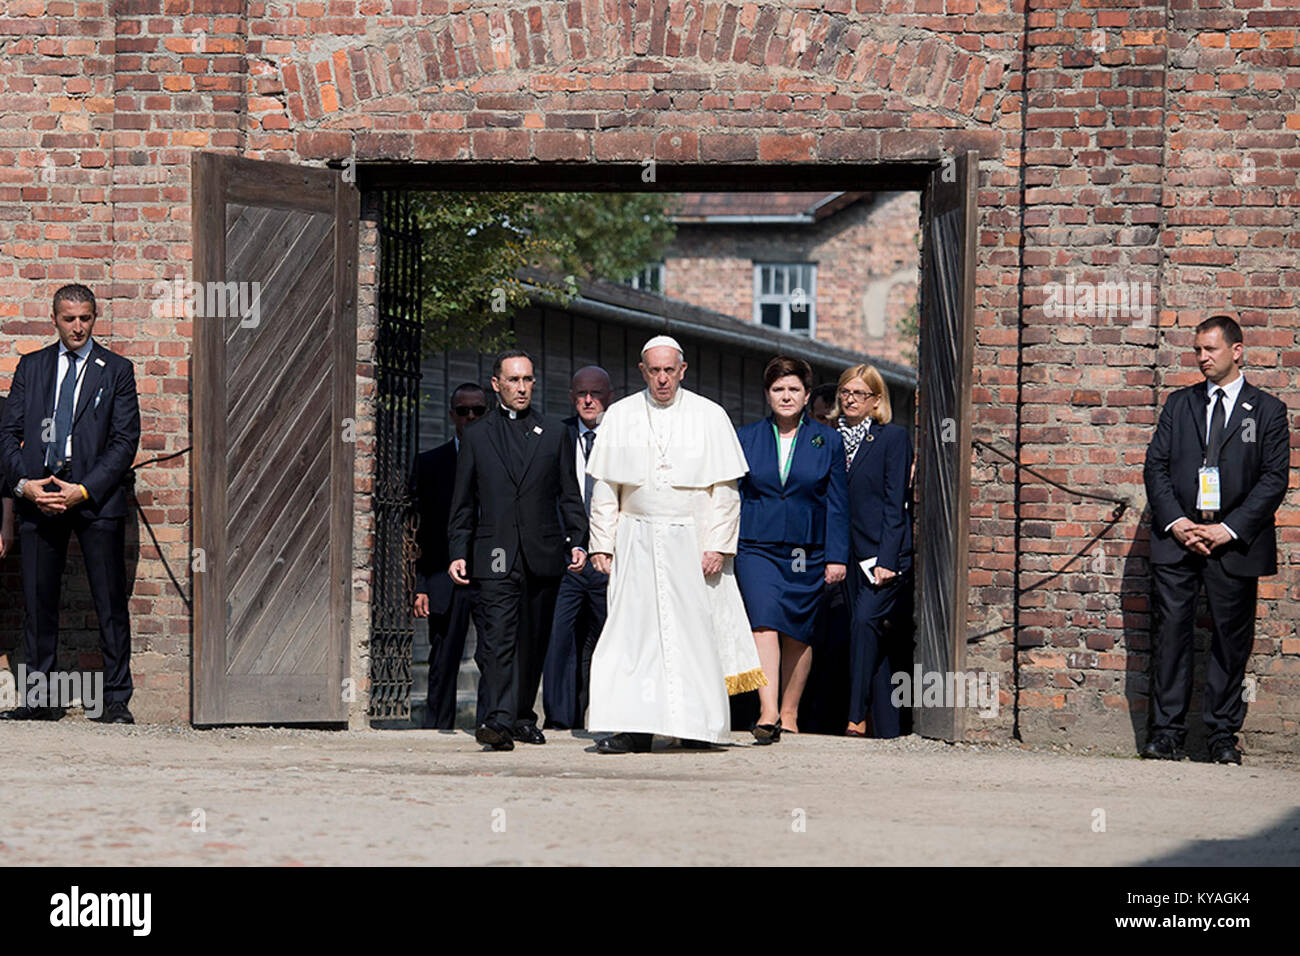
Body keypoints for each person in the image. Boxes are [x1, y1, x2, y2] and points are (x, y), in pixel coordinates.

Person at [585, 335, 765, 754]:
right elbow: (606, 489)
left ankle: (696, 725)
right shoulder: (622, 414)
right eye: (654, 371)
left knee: (693, 636)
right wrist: (601, 544)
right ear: (642, 371)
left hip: (692, 539)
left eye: (670, 370)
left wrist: (718, 545)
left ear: (683, 370)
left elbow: (725, 490)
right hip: (636, 538)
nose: (662, 379)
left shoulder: (710, 415)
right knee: (634, 635)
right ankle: (633, 728)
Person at [1141, 315, 1290, 765]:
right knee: (1172, 635)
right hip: (1179, 540)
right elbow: (1156, 468)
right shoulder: (1179, 405)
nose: (1202, 358)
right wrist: (1178, 522)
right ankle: (1166, 732)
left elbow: (1273, 480)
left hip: (1234, 543)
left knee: (1230, 639)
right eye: (1198, 351)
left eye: (1211, 350)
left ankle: (1223, 735)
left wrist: (1227, 529)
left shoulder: (1267, 411)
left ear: (1236, 350)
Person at [0, 284, 141, 723]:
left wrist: (84, 489)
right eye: (68, 318)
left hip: (94, 498)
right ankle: (41, 700)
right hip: (39, 495)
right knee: (39, 602)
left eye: (85, 318)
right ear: (55, 319)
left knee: (109, 600)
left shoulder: (116, 370)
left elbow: (124, 441)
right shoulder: (32, 367)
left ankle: (116, 700)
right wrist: (25, 485)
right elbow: (6, 433)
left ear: (94, 317)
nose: (77, 326)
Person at [447, 350, 588, 751]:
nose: (522, 387)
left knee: (533, 640)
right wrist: (458, 549)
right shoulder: (476, 436)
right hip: (493, 554)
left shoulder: (555, 433)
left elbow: (568, 493)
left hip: (542, 552)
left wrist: (578, 539)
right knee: (496, 640)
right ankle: (497, 720)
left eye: (528, 379)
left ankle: (523, 716)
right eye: (513, 380)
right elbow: (462, 502)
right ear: (497, 385)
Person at [734, 357, 848, 743]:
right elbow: (733, 495)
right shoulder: (746, 437)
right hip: (756, 547)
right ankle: (766, 711)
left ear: (806, 395)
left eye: (794, 389)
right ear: (767, 394)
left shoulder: (827, 440)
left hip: (807, 550)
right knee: (763, 623)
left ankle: (789, 711)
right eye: (778, 389)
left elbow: (837, 502)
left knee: (798, 633)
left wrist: (836, 556)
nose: (786, 396)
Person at [837, 363, 913, 739]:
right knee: (871, 640)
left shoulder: (892, 438)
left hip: (883, 555)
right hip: (849, 556)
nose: (851, 399)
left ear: (876, 400)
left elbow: (894, 502)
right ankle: (888, 728)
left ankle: (854, 716)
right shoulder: (831, 439)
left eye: (859, 394)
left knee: (864, 623)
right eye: (846, 392)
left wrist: (887, 560)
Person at [410, 382, 487, 730]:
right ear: (451, 414)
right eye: (463, 410)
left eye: (478, 410)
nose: (470, 417)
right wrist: (421, 585)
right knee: (443, 658)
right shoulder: (430, 464)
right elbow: (417, 530)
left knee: (495, 655)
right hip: (443, 575)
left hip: (491, 574)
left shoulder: (502, 458)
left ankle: (493, 724)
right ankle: (436, 728)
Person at [541, 366, 613, 730]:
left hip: (608, 560)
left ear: (608, 397)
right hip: (566, 558)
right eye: (582, 393)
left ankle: (605, 716)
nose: (588, 400)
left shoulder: (620, 437)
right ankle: (559, 719)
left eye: (596, 393)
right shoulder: (557, 435)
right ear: (572, 396)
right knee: (560, 640)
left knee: (606, 641)